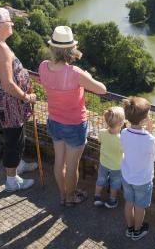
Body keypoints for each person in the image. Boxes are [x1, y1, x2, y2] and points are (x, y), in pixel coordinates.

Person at [38, 25, 107, 206]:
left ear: (52, 48)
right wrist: (85, 76)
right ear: (70, 49)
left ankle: (62, 195)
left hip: (54, 121)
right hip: (74, 125)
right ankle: (70, 198)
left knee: (59, 162)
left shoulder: (43, 67)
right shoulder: (75, 73)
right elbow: (102, 90)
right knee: (72, 166)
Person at [0, 6, 38, 192]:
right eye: (9, 22)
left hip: (2, 101)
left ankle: (18, 165)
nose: (12, 24)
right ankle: (12, 181)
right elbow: (8, 84)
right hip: (9, 103)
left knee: (15, 137)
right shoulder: (1, 49)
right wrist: (27, 96)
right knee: (14, 141)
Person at [121, 97, 155, 241]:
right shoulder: (149, 139)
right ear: (144, 120)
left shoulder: (124, 133)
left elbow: (136, 144)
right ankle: (137, 231)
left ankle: (130, 228)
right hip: (142, 180)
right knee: (140, 206)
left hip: (127, 176)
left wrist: (148, 130)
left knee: (129, 203)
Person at [93, 106, 126, 209]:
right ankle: (112, 200)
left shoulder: (102, 132)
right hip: (117, 166)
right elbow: (124, 152)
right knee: (115, 184)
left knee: (101, 179)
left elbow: (100, 141)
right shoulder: (122, 139)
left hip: (103, 162)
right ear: (121, 124)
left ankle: (97, 197)